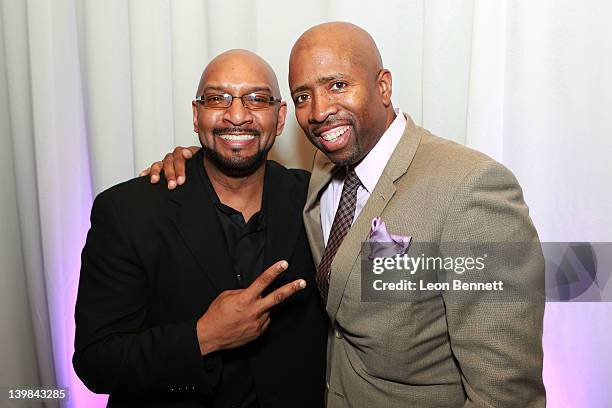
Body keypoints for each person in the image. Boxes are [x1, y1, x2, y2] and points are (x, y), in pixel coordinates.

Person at [146, 22, 545, 407]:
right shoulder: (318, 177)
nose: (319, 111)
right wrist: (200, 161)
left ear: (383, 86)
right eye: (303, 96)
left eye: (338, 85)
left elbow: (505, 390)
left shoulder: (470, 187)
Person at [74, 49, 328, 408]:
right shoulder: (128, 211)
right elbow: (96, 361)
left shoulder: (318, 199)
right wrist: (202, 337)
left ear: (280, 116)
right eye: (216, 99)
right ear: (197, 115)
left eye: (256, 99)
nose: (237, 115)